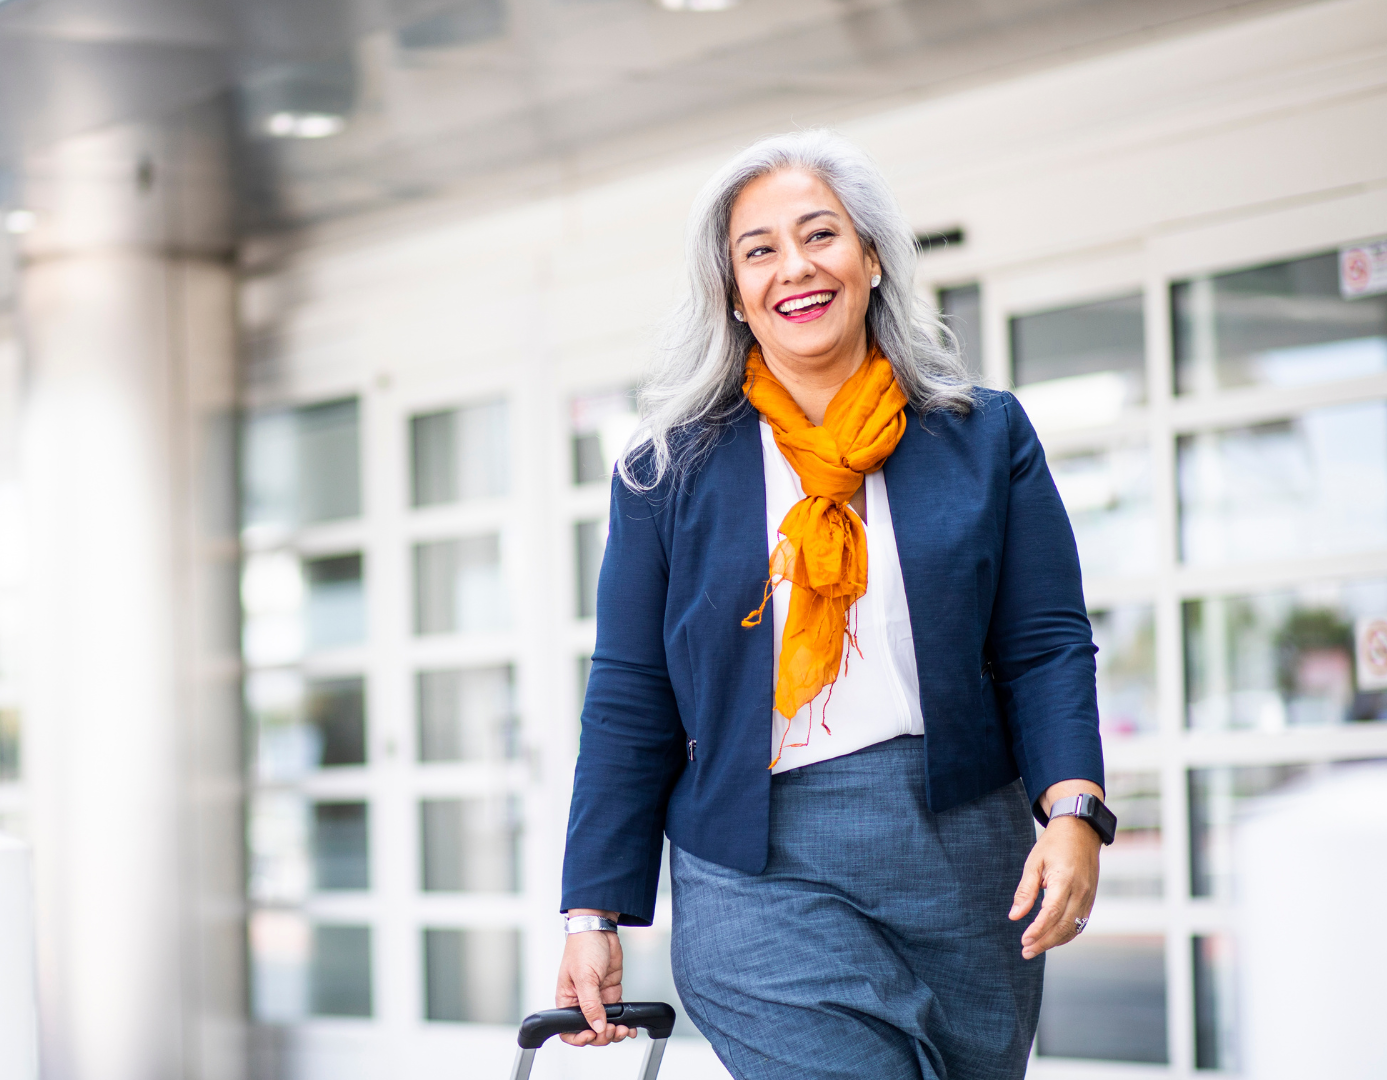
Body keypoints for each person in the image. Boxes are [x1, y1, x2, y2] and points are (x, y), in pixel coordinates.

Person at [554, 129, 1111, 1080]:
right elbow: (630, 695)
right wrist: (592, 911)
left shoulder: (983, 436)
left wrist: (1073, 811)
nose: (794, 268)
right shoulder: (664, 472)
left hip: (962, 850)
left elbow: (1044, 644)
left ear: (873, 259)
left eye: (821, 235)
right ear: (732, 293)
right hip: (754, 865)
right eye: (758, 250)